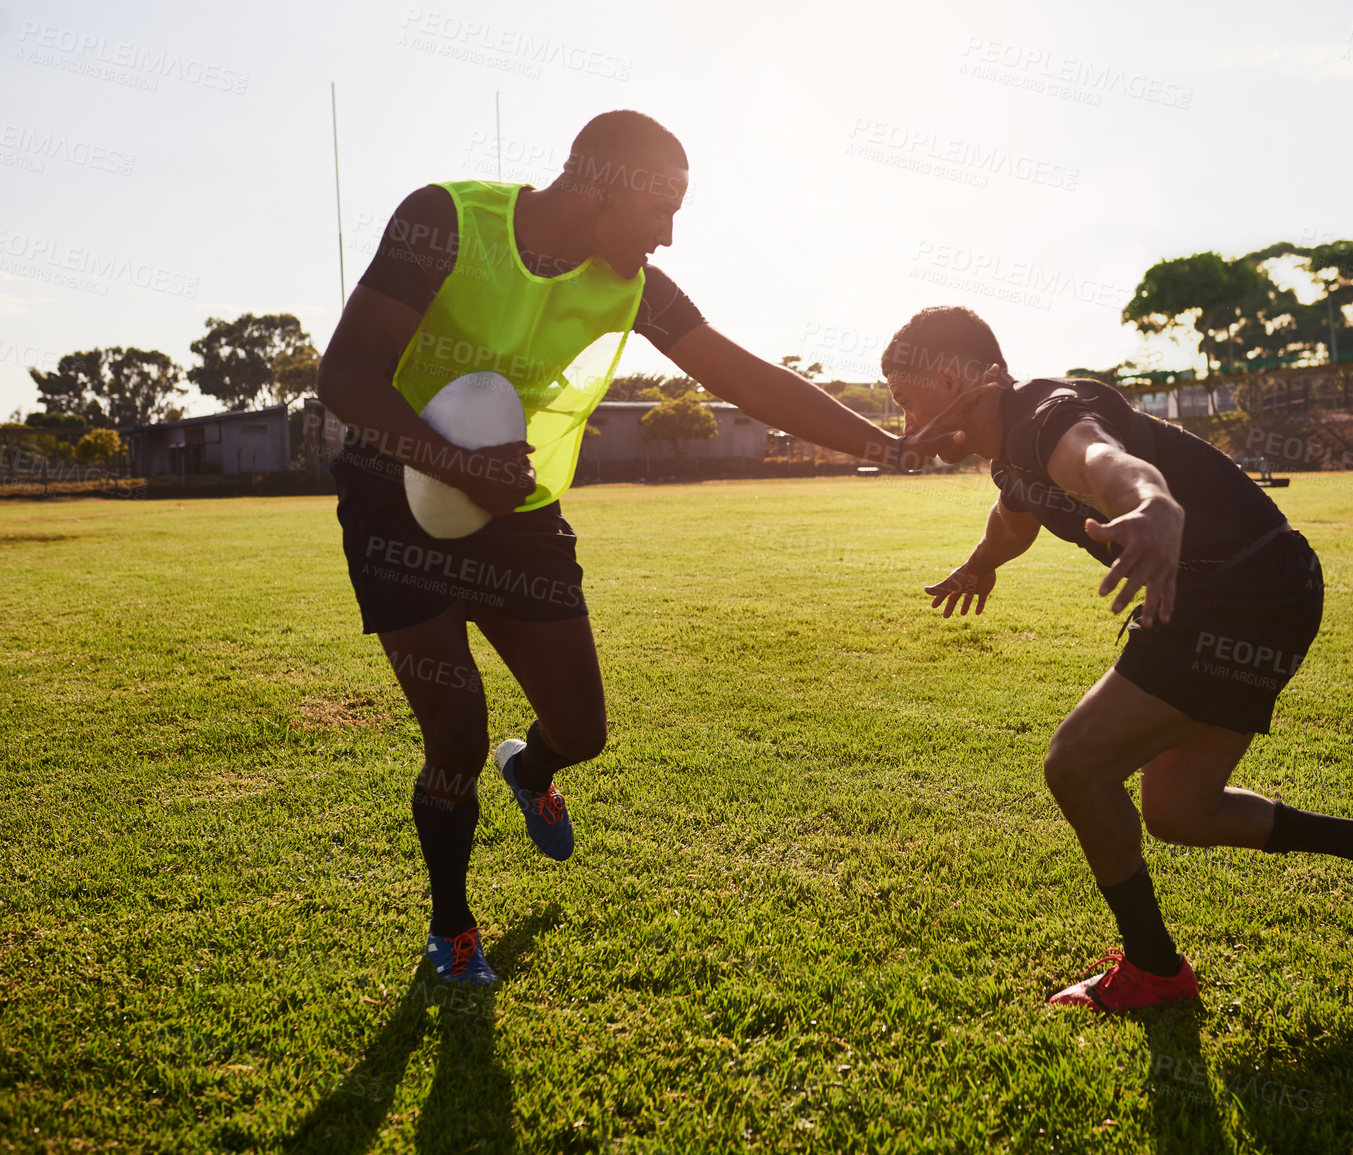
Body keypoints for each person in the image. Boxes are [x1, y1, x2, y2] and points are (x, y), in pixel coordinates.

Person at [316, 110, 915, 985]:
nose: (668, 238)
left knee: (582, 730)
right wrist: (451, 462)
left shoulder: (636, 283)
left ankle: (533, 770)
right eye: (659, 212)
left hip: (517, 505)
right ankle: (453, 930)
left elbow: (746, 374)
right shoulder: (444, 218)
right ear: (595, 188)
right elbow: (346, 373)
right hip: (393, 496)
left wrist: (887, 443)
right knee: (454, 729)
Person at [888, 305, 1353, 1012]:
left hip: (1239, 590)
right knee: (1180, 810)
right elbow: (1013, 517)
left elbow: (1103, 460)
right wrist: (979, 563)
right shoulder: (1014, 453)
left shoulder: (1046, 416)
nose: (906, 424)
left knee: (1076, 765)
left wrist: (1152, 503)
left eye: (907, 402)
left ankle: (1154, 969)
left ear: (949, 379)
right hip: (1252, 589)